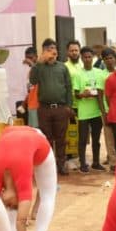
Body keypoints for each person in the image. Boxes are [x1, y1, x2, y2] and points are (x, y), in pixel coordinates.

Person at [0, 126, 56, 231]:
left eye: (11, 205)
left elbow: (21, 221)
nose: (11, 206)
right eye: (11, 206)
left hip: (38, 140)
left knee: (48, 193)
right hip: (11, 134)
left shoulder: (23, 179)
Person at [29, 39, 73, 176]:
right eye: (48, 49)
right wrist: (38, 63)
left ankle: (61, 165)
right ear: (43, 51)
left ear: (57, 51)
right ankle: (48, 167)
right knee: (46, 139)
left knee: (61, 139)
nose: (51, 51)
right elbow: (32, 81)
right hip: (44, 109)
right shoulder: (39, 67)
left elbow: (68, 86)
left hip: (60, 108)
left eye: (53, 48)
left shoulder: (62, 67)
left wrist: (68, 106)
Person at [71, 46, 107, 173]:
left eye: (89, 57)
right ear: (82, 58)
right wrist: (83, 95)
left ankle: (96, 162)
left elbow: (101, 91)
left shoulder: (99, 72)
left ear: (93, 58)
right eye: (85, 57)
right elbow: (76, 94)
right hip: (84, 113)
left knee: (96, 139)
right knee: (82, 139)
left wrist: (97, 94)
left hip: (96, 111)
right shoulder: (77, 75)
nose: (87, 59)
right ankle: (83, 163)